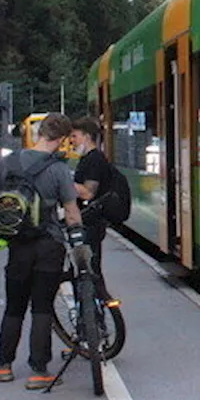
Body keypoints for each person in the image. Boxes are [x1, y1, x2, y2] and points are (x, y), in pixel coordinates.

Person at [0, 112, 83, 390]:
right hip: (48, 245)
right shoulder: (58, 169)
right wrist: (78, 238)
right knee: (41, 307)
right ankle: (39, 370)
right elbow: (72, 211)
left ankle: (2, 366)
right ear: (62, 139)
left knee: (13, 307)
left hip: (17, 245)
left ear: (39, 132)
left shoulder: (8, 163)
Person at [70, 116, 118, 305]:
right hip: (87, 221)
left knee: (91, 269)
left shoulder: (95, 160)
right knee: (89, 269)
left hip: (91, 222)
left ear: (87, 136)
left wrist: (63, 182)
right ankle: (94, 312)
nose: (71, 141)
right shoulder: (88, 159)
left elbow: (88, 193)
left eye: (74, 136)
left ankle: (98, 311)